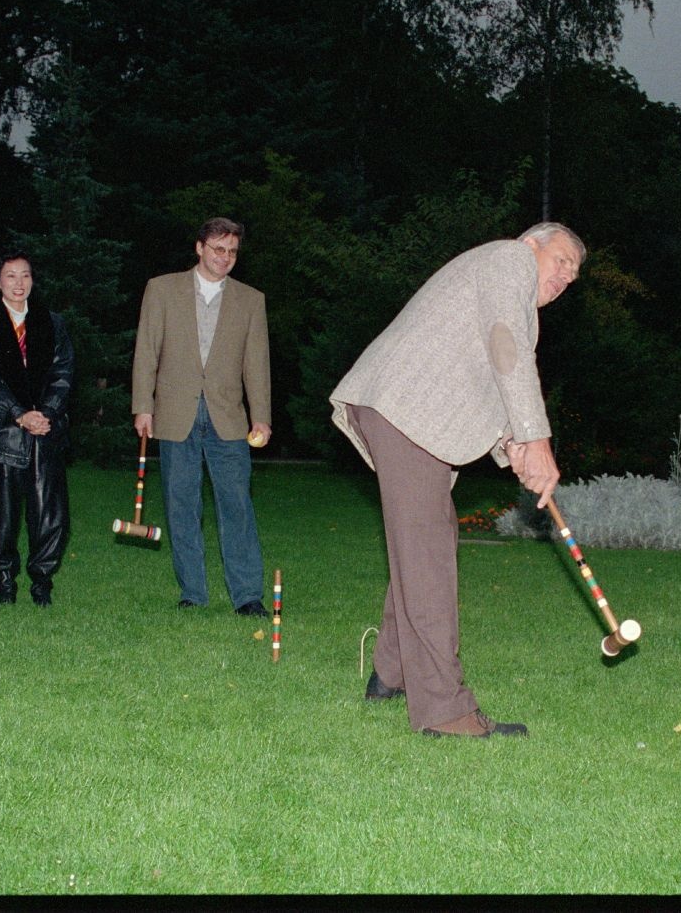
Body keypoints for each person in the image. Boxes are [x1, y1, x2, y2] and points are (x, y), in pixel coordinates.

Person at [330, 222, 584, 739]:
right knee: (427, 553)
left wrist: (512, 443)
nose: (565, 277)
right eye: (561, 261)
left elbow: (486, 374)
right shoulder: (508, 260)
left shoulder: (499, 284)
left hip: (407, 413)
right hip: (403, 410)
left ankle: (390, 673)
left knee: (427, 540)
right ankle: (445, 711)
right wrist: (536, 438)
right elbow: (507, 349)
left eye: (573, 276)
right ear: (532, 242)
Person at [131, 217, 272, 614]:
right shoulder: (162, 289)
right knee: (181, 506)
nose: (225, 257)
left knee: (237, 507)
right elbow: (147, 351)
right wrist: (143, 405)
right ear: (199, 248)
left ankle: (247, 596)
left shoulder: (250, 299)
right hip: (174, 414)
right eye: (218, 249)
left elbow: (257, 364)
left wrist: (261, 416)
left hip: (228, 417)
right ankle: (192, 592)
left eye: (232, 251)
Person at [0, 250, 74, 606]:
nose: (19, 283)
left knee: (49, 512)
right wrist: (18, 413)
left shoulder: (52, 324)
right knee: (3, 514)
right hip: (1, 434)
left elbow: (63, 372)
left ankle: (42, 583)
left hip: (45, 431)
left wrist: (47, 414)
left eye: (25, 275)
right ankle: (5, 584)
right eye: (10, 276)